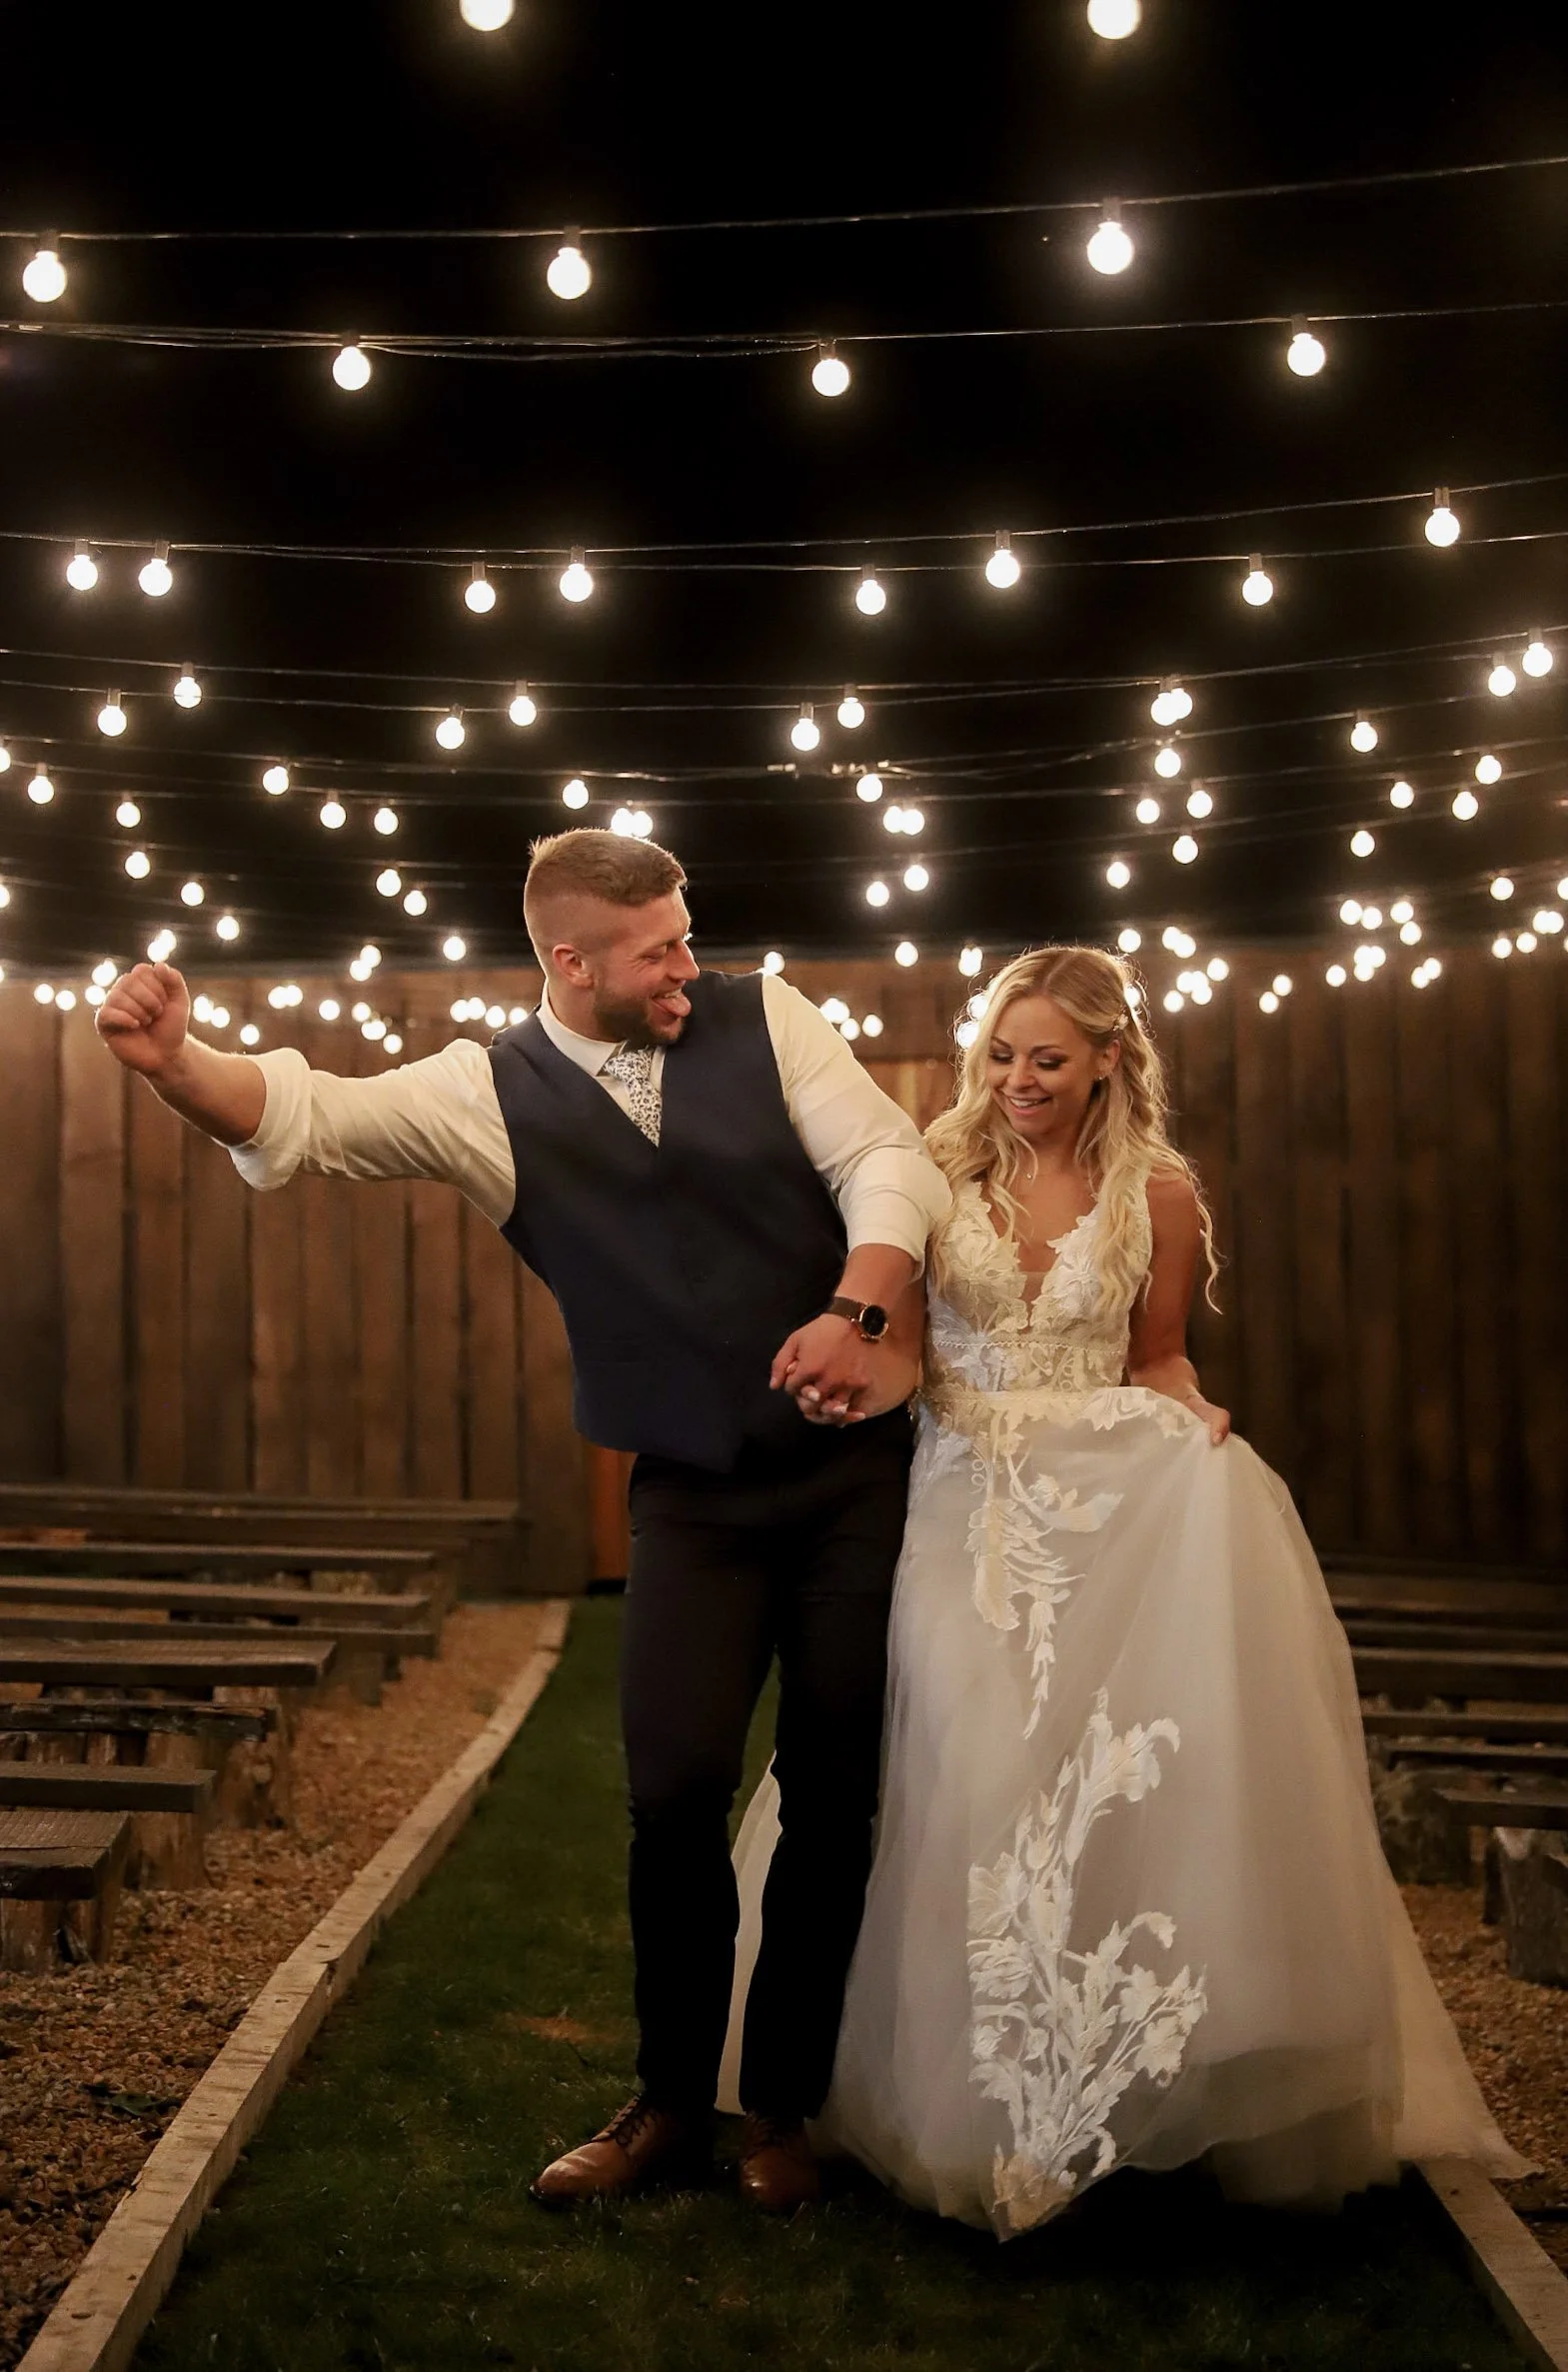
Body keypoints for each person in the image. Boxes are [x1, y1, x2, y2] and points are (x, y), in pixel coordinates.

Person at [95, 829, 949, 2214]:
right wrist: (176, 1064)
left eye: (685, 936)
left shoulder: (770, 1016)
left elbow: (887, 1158)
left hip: (853, 1477)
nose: (687, 966)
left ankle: (784, 2111)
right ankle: (670, 2103)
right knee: (674, 1792)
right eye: (658, 950)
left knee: (833, 1793)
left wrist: (858, 1307)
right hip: (691, 1491)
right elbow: (309, 1115)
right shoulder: (481, 1093)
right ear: (571, 962)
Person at [722, 943, 1524, 2235]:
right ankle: (950, 2096)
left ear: (1107, 1059)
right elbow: (909, 1349)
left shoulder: (1159, 1193)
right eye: (1001, 1054)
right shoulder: (932, 1171)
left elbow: (1156, 1358)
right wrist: (848, 1385)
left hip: (1104, 1505)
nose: (1018, 1079)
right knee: (962, 1769)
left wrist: (1194, 1414)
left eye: (1048, 1058)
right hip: (960, 1502)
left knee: (1095, 1780)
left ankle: (1101, 2079)